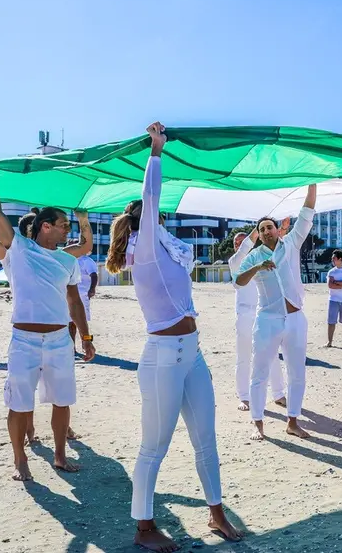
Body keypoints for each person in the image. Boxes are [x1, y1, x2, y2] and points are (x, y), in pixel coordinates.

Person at [106, 122, 241, 551]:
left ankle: (216, 512)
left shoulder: (167, 249)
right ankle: (144, 528)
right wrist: (156, 151)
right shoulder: (143, 252)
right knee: (154, 447)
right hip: (163, 357)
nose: (161, 218)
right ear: (145, 221)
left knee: (206, 439)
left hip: (192, 355)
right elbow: (150, 197)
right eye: (155, 216)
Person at [0, 155, 96, 483]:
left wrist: (85, 338)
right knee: (19, 404)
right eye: (64, 225)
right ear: (46, 226)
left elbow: (75, 303)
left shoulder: (65, 260)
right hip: (24, 341)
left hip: (59, 340)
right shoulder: (20, 249)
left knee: (63, 401)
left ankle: (59, 455)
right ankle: (20, 460)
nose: (67, 231)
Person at [0, 198, 91, 444]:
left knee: (59, 395)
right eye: (62, 225)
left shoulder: (60, 257)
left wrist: (83, 219)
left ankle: (55, 442)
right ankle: (28, 436)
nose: (67, 229)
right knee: (23, 397)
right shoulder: (15, 253)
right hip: (26, 336)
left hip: (56, 336)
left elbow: (84, 250)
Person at [232, 184, 318, 441]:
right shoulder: (253, 256)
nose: (267, 231)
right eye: (262, 229)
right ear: (258, 234)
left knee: (297, 373)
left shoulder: (291, 244)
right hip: (267, 320)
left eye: (270, 227)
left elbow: (307, 213)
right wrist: (257, 266)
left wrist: (312, 183)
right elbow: (238, 281)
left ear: (277, 229)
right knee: (260, 372)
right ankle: (257, 423)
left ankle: (293, 421)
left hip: (295, 319)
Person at [228, 230, 286, 412]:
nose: (240, 244)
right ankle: (244, 397)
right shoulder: (235, 262)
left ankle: (278, 394)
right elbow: (246, 247)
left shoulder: (260, 260)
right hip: (244, 316)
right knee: (244, 357)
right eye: (237, 242)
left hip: (263, 313)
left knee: (272, 356)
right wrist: (258, 227)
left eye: (242, 241)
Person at [70, 248, 98, 353]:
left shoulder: (87, 261)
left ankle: (86, 343)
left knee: (82, 322)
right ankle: (72, 348)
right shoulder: (69, 259)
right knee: (70, 322)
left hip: (82, 295)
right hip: (69, 294)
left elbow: (94, 275)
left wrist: (92, 288)